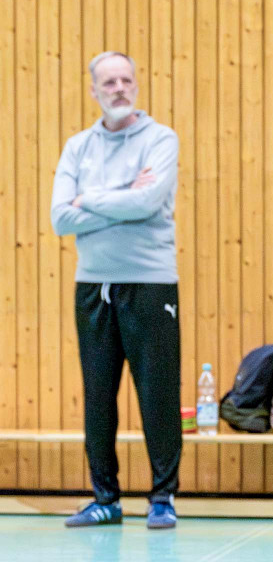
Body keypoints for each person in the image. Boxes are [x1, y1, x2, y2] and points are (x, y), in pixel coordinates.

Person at [51, 51, 182, 530]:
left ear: (136, 85)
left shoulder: (160, 139)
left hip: (150, 283)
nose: (119, 88)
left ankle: (162, 498)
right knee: (98, 395)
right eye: (109, 82)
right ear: (94, 91)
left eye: (126, 79)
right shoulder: (77, 147)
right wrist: (123, 198)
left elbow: (148, 201)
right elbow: (59, 217)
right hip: (92, 285)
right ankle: (104, 498)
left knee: (157, 393)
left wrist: (89, 199)